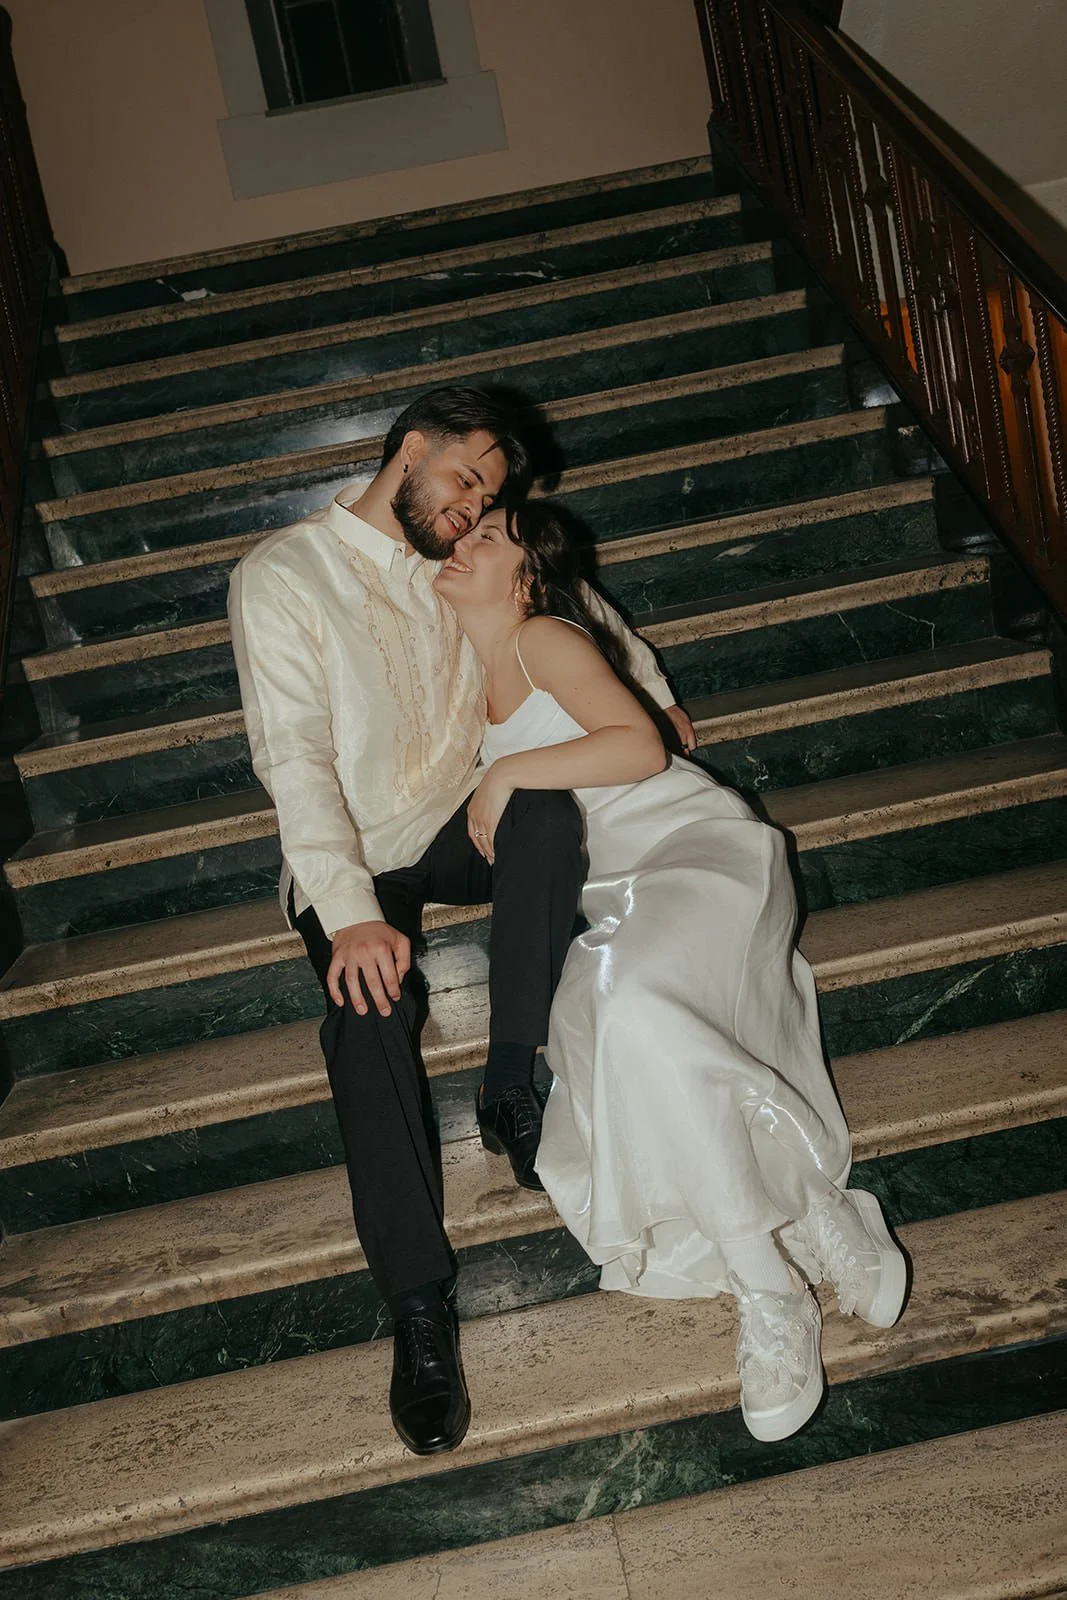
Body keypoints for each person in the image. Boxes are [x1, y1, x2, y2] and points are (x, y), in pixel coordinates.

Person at [228, 387, 693, 1457]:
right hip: (354, 849)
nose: (472, 506)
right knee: (364, 1016)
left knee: (543, 808)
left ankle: (509, 1081)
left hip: (457, 814)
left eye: (486, 494)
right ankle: (418, 1309)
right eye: (465, 477)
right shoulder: (283, 575)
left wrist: (648, 685)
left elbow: (564, 594)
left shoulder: (457, 556)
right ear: (408, 451)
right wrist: (351, 915)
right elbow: (293, 759)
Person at [434, 501, 908, 1444]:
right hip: (619, 902)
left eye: (485, 536)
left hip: (695, 852)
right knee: (607, 1024)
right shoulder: (460, 676)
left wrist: (503, 776)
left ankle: (769, 1288)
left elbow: (638, 745)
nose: (460, 543)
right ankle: (809, 1215)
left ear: (526, 578)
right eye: (459, 534)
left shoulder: (541, 636)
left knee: (635, 1002)